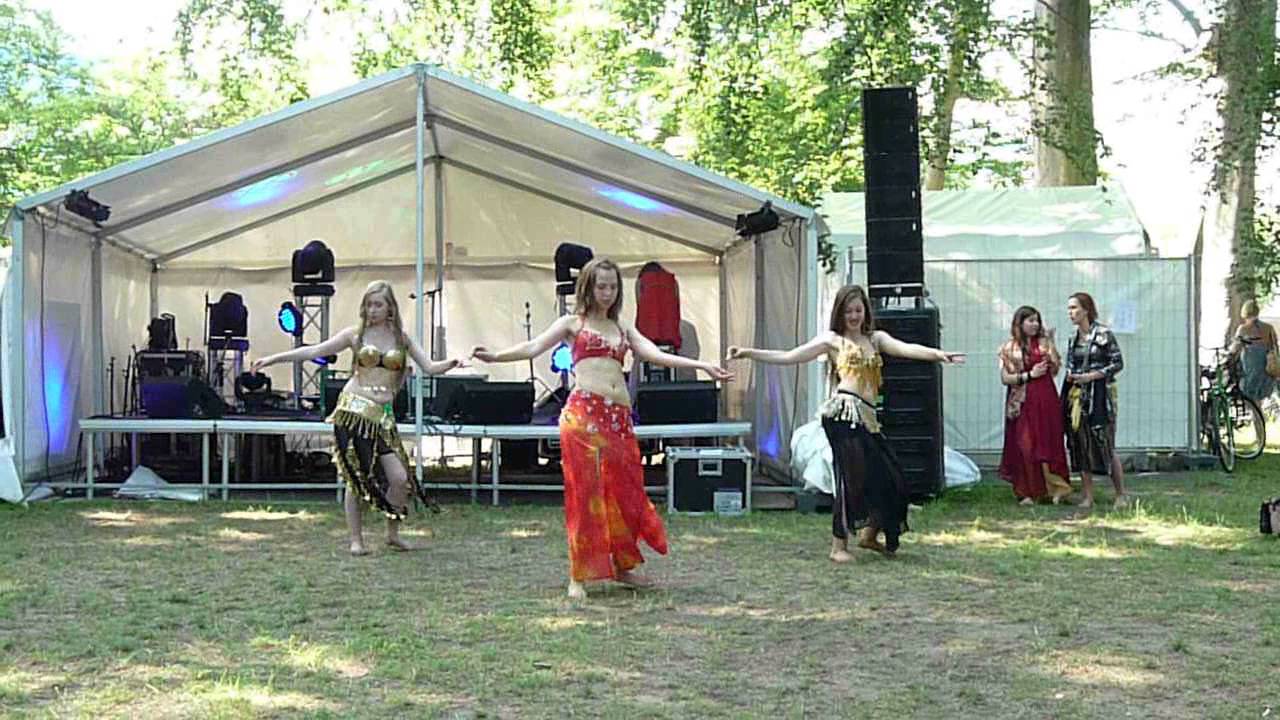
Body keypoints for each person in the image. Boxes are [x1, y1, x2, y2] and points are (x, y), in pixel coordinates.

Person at [470, 258, 732, 600]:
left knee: (624, 492)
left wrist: (702, 364)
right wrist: (495, 357)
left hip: (618, 419)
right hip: (583, 417)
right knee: (585, 494)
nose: (607, 293)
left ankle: (623, 566)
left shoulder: (622, 326)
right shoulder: (572, 323)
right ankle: (578, 573)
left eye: (612, 286)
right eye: (601, 286)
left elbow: (653, 353)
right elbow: (534, 347)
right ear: (588, 287)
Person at [726, 285, 965, 561]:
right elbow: (790, 356)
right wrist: (748, 352)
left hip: (868, 418)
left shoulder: (876, 339)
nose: (853, 316)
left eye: (858, 310)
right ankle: (838, 547)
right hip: (842, 416)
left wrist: (938, 354)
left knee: (892, 477)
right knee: (850, 478)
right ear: (840, 313)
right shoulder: (832, 341)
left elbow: (906, 348)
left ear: (865, 312)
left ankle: (869, 535)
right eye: (848, 311)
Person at [251, 280, 463, 556]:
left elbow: (430, 366)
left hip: (383, 417)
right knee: (357, 477)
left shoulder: (402, 338)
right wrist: (272, 359)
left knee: (399, 479)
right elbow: (315, 351)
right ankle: (356, 540)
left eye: (378, 305)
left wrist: (452, 363)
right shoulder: (355, 335)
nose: (372, 310)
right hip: (354, 411)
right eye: (368, 304)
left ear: (390, 308)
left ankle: (392, 534)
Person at [997, 306, 1073, 505]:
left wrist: (1051, 343)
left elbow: (1055, 369)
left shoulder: (1044, 343)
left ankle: (1054, 488)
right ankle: (1026, 491)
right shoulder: (1009, 348)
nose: (1035, 324)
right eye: (1030, 320)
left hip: (1046, 399)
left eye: (1037, 320)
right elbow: (1005, 378)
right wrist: (1029, 375)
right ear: (1020, 323)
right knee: (1025, 445)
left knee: (1048, 442)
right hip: (1022, 402)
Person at [1061, 292, 1126, 509]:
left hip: (1101, 396)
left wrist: (1093, 376)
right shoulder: (1073, 339)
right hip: (1079, 397)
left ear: (1086, 310)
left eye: (1074, 308)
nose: (1070, 313)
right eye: (1069, 309)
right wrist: (1072, 375)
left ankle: (1121, 495)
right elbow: (1070, 364)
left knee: (1105, 442)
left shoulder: (1104, 334)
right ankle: (1088, 496)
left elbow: (1117, 363)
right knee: (1080, 443)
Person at [1228, 299, 1278, 404]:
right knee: (1262, 396)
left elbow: (1235, 348)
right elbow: (1274, 345)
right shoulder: (1268, 328)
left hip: (1250, 367)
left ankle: (1257, 413)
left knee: (1250, 398)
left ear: (1244, 312)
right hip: (1267, 367)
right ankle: (1260, 412)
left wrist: (1229, 352)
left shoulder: (1243, 329)